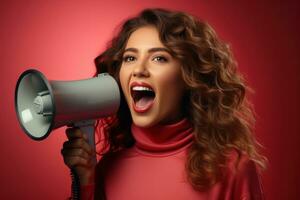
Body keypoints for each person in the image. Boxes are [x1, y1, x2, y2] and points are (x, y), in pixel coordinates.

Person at [61, 8, 267, 200]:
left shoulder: (233, 167)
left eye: (159, 58)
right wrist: (85, 184)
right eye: (130, 57)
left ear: (189, 76)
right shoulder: (108, 169)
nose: (139, 69)